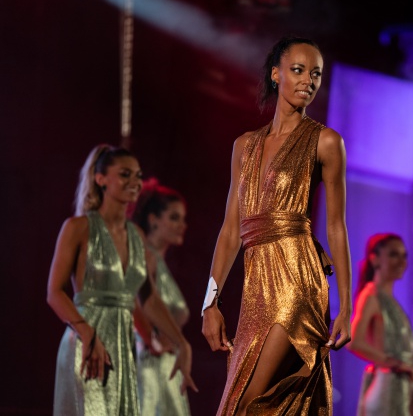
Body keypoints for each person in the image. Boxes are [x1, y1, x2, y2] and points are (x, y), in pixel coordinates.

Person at [201, 35, 353, 416]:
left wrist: (347, 305)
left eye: (316, 74)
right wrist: (210, 303)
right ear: (275, 74)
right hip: (256, 289)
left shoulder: (326, 142)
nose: (308, 81)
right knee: (250, 404)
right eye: (298, 70)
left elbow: (336, 227)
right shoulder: (244, 146)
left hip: (297, 281)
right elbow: (230, 231)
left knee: (246, 404)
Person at [46, 144, 198, 416]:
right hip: (86, 344)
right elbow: (54, 292)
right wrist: (86, 332)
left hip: (123, 349)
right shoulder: (77, 227)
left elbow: (148, 298)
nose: (134, 182)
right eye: (125, 174)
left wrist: (181, 343)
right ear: (101, 179)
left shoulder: (136, 234)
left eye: (138, 175)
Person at [129, 178, 192, 416]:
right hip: (152, 363)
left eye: (183, 219)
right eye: (174, 218)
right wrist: (151, 339)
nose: (182, 225)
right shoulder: (147, 256)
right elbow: (136, 301)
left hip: (166, 364)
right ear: (153, 219)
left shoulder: (159, 262)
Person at [347, 232, 413, 416]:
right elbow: (353, 341)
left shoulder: (389, 300)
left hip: (401, 390)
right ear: (375, 259)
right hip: (387, 392)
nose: (402, 261)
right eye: (393, 254)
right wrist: (395, 364)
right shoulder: (371, 295)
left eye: (404, 255)